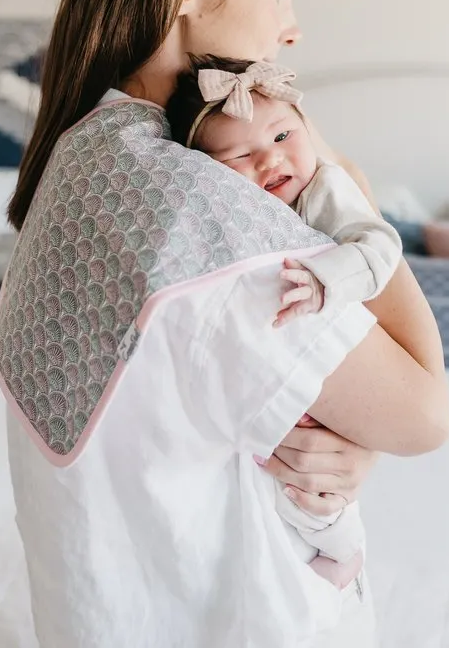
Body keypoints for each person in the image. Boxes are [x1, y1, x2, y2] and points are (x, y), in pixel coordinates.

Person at [0, 0, 449, 648]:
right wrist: (347, 190)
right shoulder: (193, 208)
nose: (291, 26)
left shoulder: (80, 161)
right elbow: (421, 414)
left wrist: (348, 440)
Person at [166, 54, 403, 588]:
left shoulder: (325, 187)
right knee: (268, 477)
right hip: (270, 370)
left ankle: (341, 546)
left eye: (281, 137)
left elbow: (379, 245)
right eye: (240, 156)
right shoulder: (230, 214)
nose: (271, 163)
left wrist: (327, 279)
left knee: (313, 482)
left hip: (332, 363)